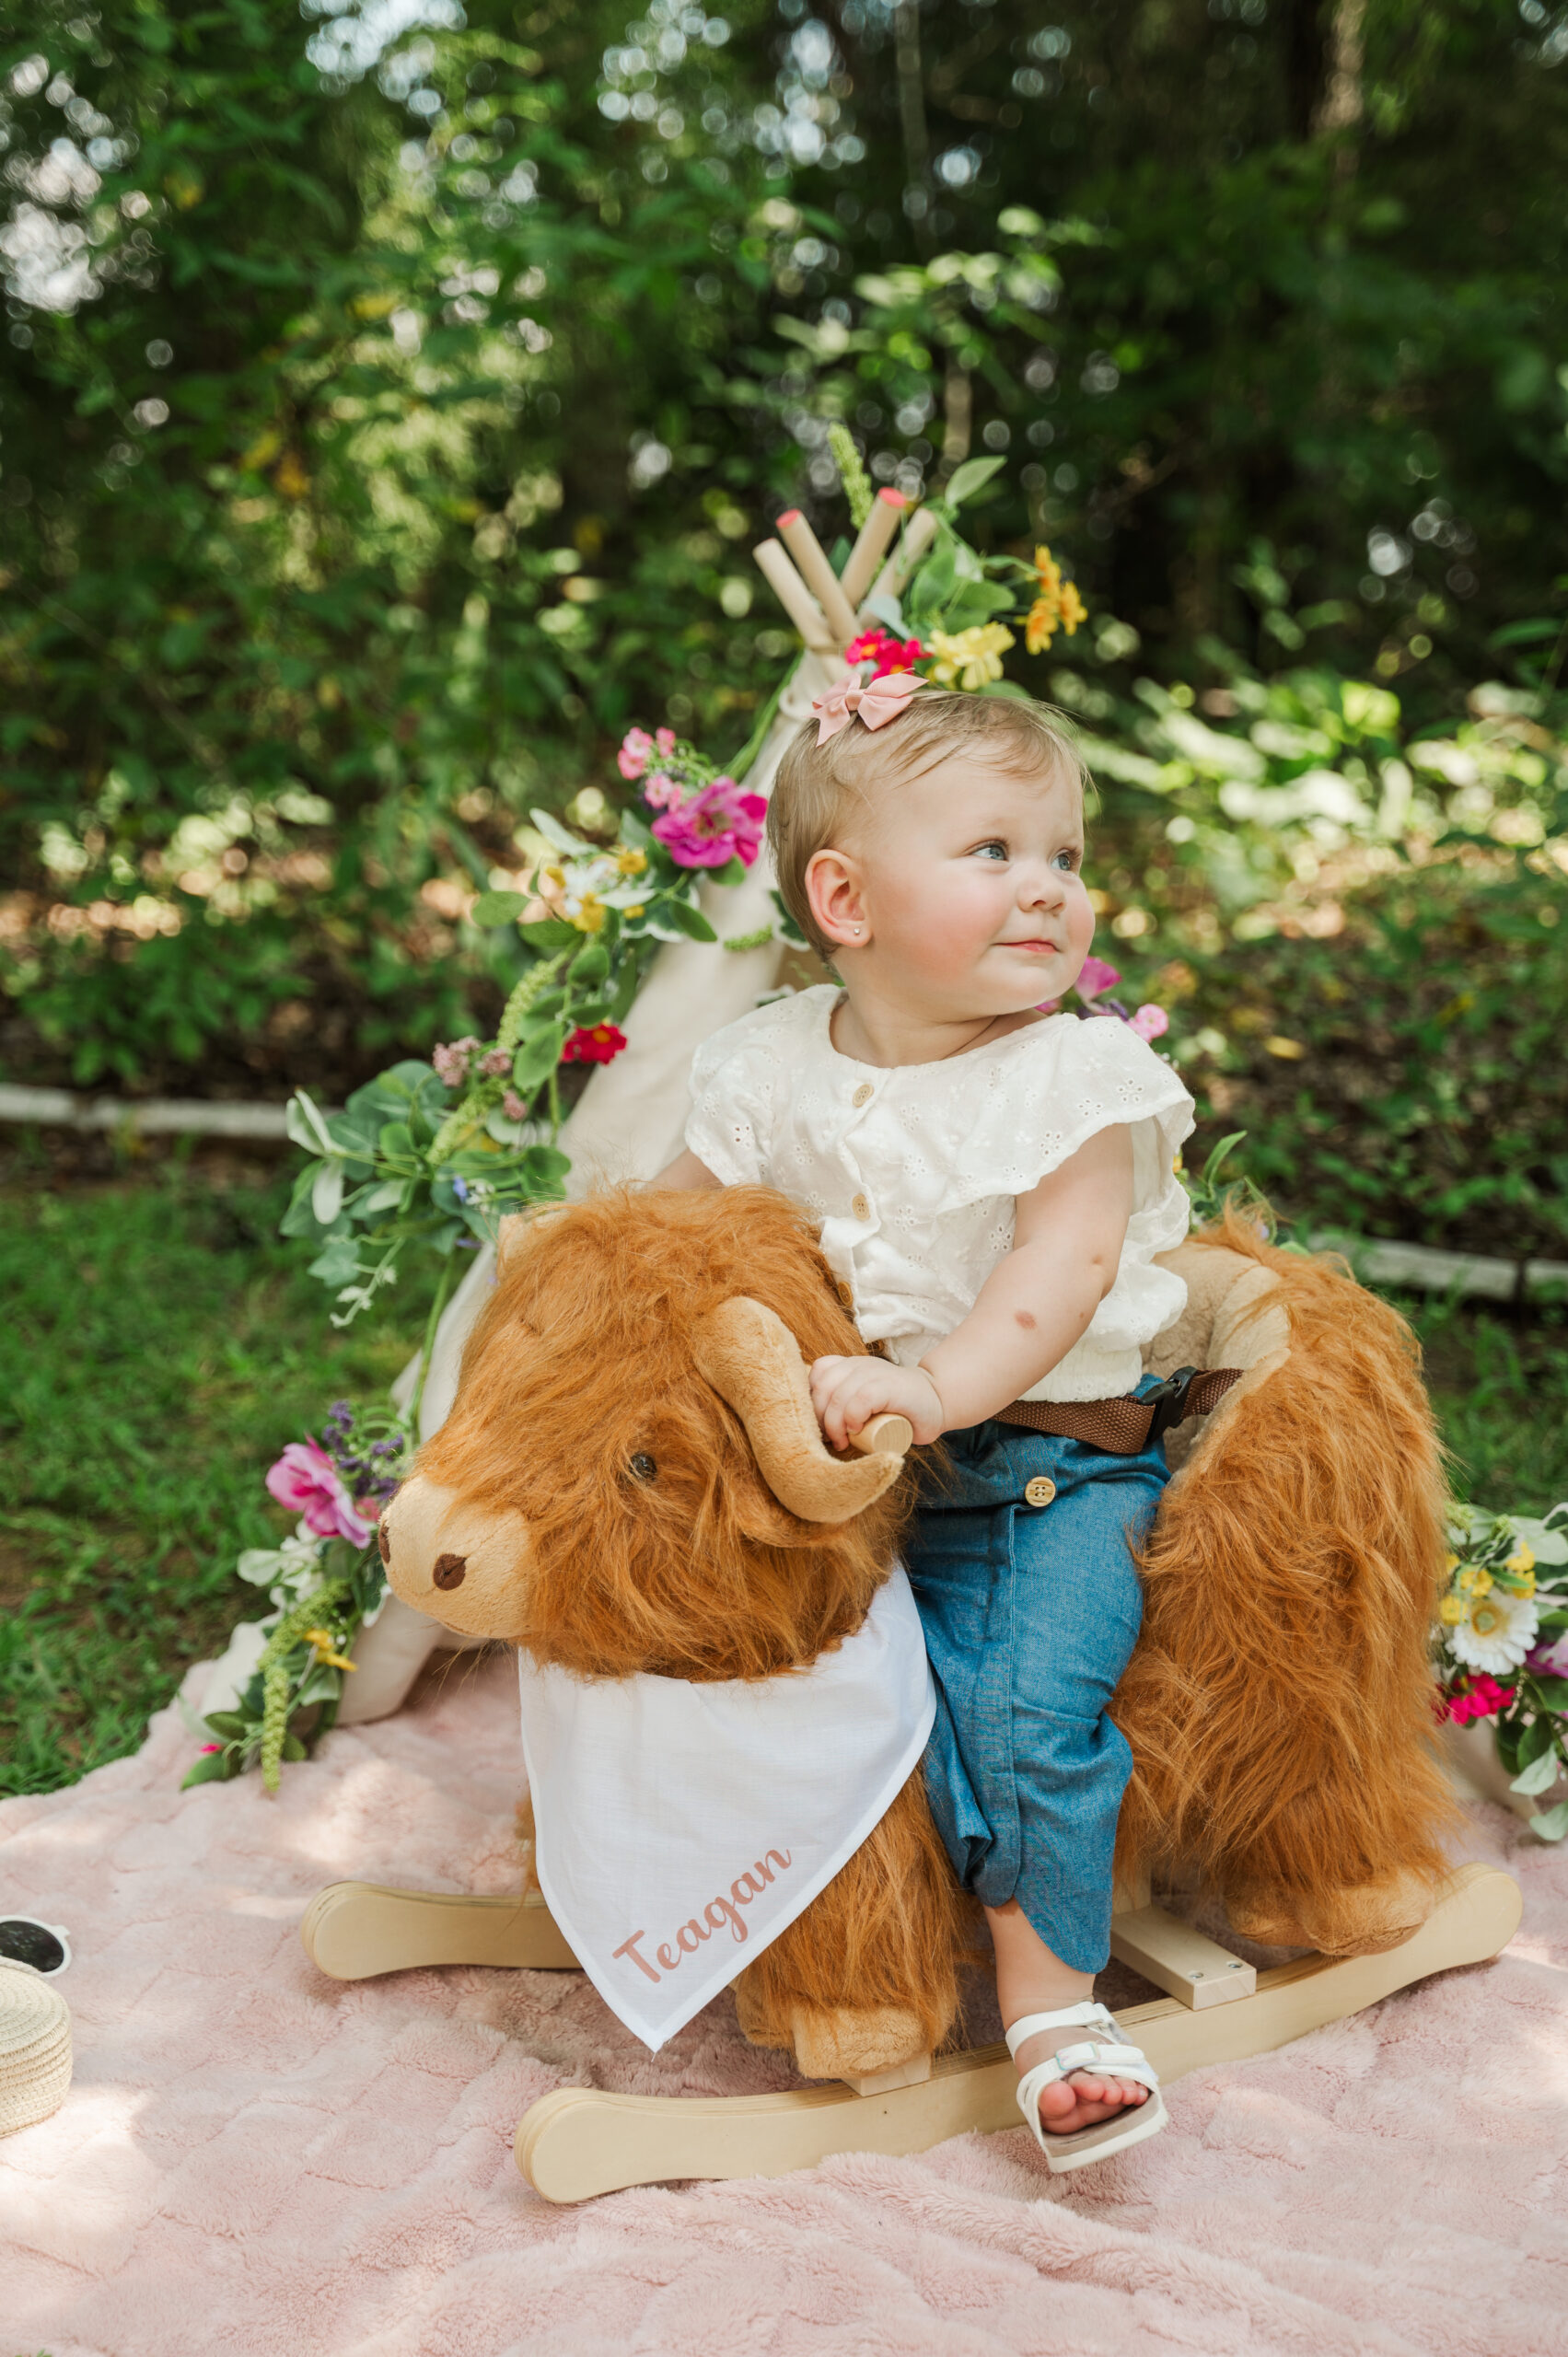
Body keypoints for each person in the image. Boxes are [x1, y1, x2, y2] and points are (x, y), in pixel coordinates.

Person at [655, 671, 1195, 2171]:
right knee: (773, 1678)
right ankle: (801, 1929)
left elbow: (1060, 1268)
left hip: (1041, 1473)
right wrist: (607, 1291)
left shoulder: (1077, 1077)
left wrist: (935, 1387)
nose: (1050, 890)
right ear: (844, 896)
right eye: (996, 852)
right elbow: (683, 1234)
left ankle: (1053, 2017)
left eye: (1067, 858)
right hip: (835, 1471)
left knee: (1024, 1707)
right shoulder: (768, 1064)